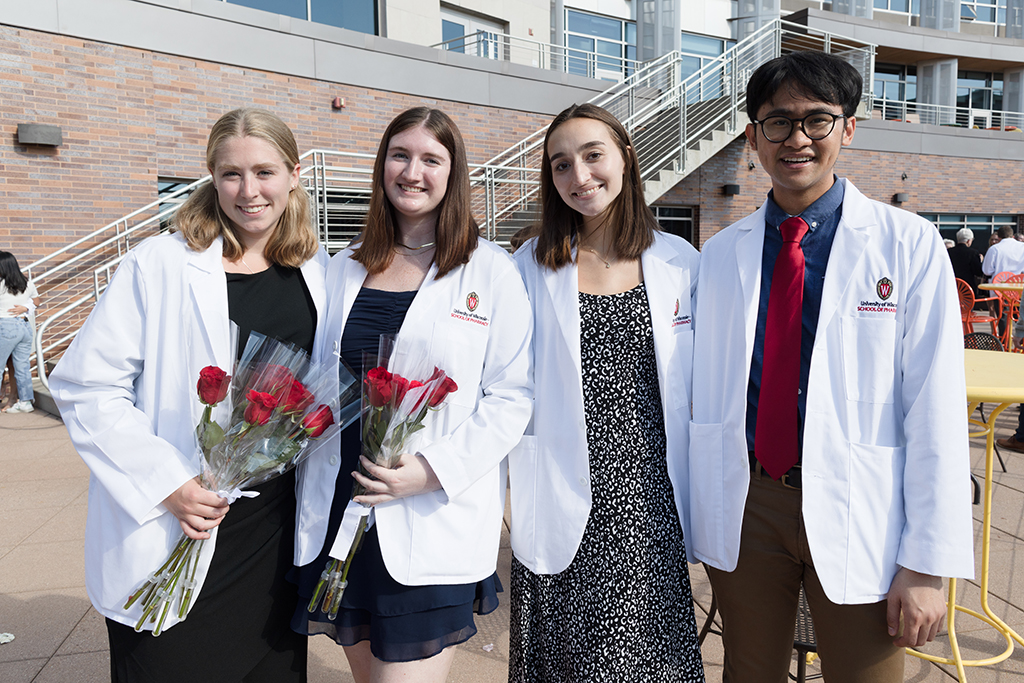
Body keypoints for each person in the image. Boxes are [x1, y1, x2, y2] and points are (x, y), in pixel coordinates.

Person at [687, 51, 973, 682]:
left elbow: (936, 409)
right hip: (750, 502)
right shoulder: (720, 255)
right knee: (748, 672)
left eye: (818, 120)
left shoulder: (908, 243)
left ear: (847, 128)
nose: (797, 139)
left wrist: (926, 563)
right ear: (752, 135)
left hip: (861, 500)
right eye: (777, 122)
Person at [50, 108, 329, 682]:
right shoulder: (160, 264)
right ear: (211, 176)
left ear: (295, 174)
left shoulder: (317, 270)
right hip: (178, 520)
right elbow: (86, 387)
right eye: (231, 174)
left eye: (265, 172)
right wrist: (167, 483)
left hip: (272, 535)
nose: (248, 191)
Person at [291, 107, 532, 683]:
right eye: (400, 155)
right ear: (382, 166)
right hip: (340, 504)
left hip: (429, 505)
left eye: (431, 159)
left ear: (453, 173)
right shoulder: (344, 265)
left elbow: (511, 396)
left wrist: (429, 471)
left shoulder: (490, 270)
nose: (412, 171)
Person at [508, 103, 705, 682]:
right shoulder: (528, 265)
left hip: (649, 495)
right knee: (568, 656)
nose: (580, 176)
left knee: (649, 654)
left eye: (594, 156)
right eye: (561, 165)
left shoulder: (681, 263)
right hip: (565, 484)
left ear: (625, 158)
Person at [0, 251, 41, 413]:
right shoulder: (26, 282)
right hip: (24, 327)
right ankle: (25, 402)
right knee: (22, 367)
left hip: (5, 327)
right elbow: (37, 301)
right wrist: (26, 307)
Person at [948, 227, 985, 299]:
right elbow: (978, 272)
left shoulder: (949, 252)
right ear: (968, 241)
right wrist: (980, 261)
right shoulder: (973, 253)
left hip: (952, 286)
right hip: (967, 288)